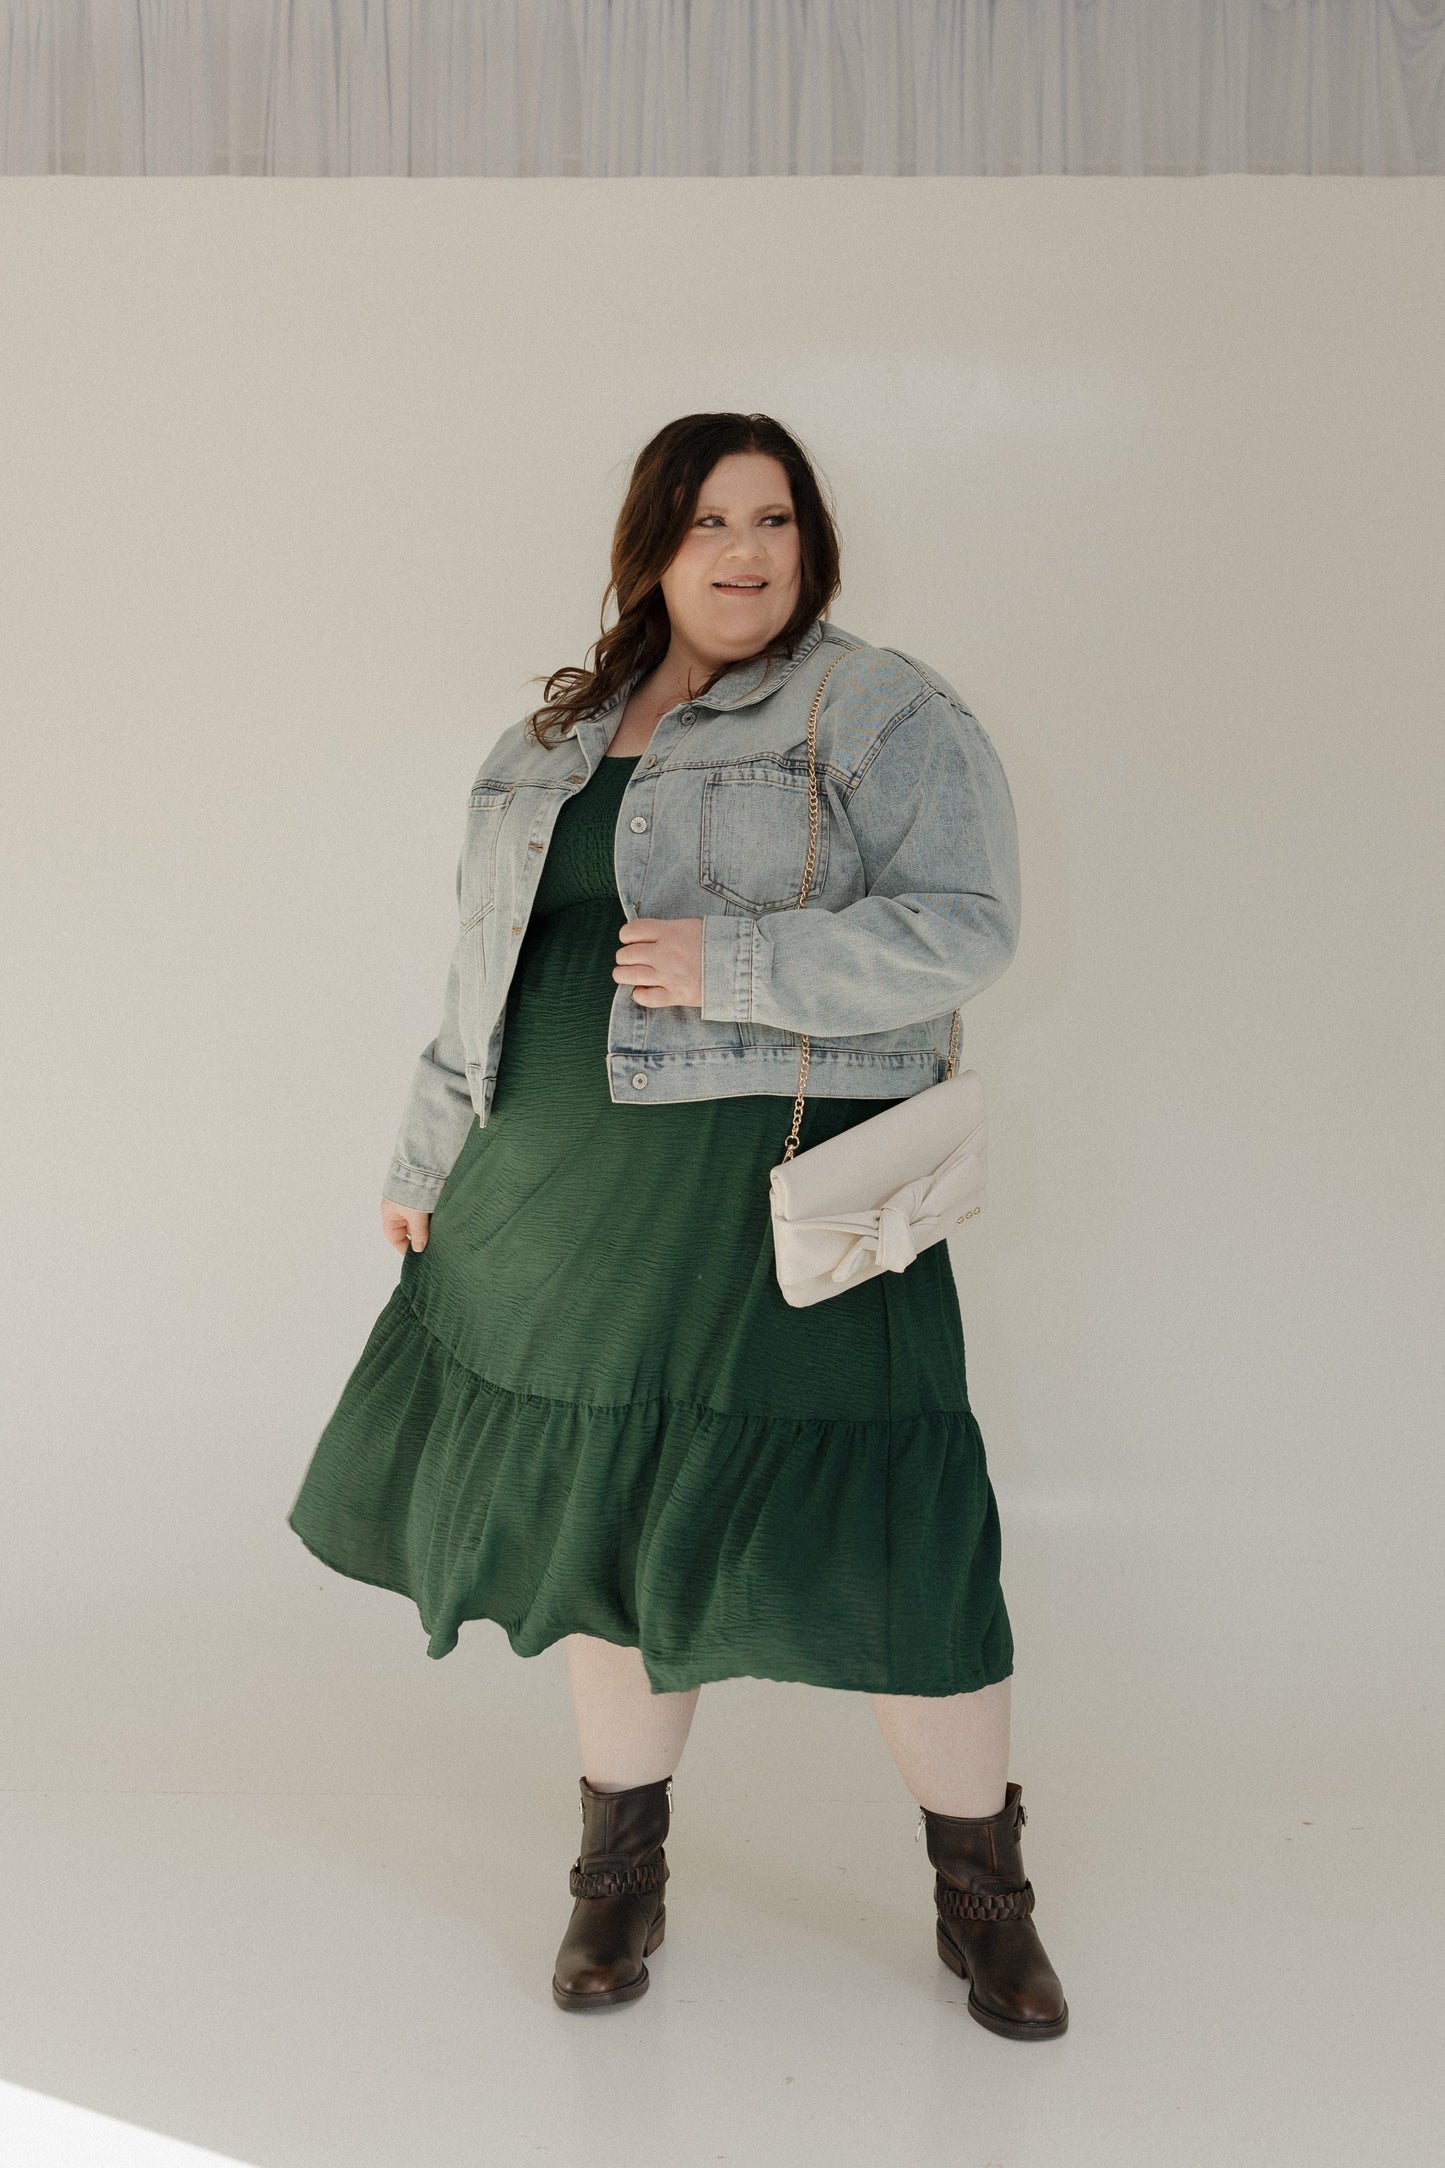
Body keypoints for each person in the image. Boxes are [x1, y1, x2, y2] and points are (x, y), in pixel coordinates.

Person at [286, 410, 1067, 2038]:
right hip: (557, 1201)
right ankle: (616, 1873)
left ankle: (981, 1892)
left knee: (899, 1534)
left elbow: (967, 925)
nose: (744, 552)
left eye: (772, 519)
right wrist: (425, 1152)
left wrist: (742, 966)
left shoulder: (876, 706)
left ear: (809, 541)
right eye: (708, 521)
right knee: (613, 1535)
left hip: (785, 1202)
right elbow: (479, 982)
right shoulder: (550, 740)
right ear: (648, 545)